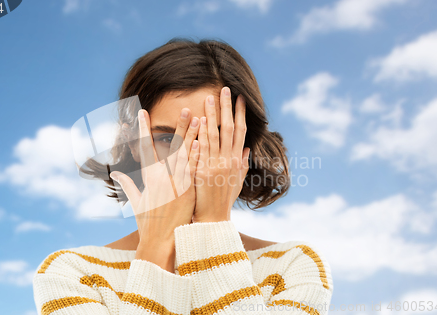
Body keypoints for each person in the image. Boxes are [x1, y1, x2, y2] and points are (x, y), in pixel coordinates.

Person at [32, 38, 333, 315]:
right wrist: (156, 251)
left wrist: (212, 227)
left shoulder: (294, 267)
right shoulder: (71, 274)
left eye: (211, 140)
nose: (190, 160)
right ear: (134, 144)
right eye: (166, 140)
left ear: (243, 150)